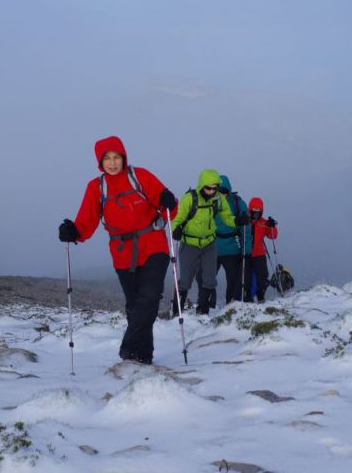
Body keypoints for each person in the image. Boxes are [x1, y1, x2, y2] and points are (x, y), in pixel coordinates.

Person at [58, 136, 177, 365]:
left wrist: (169, 200)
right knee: (134, 305)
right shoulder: (97, 187)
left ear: (124, 158)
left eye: (116, 157)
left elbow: (170, 206)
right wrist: (72, 231)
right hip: (122, 253)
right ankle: (142, 358)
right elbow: (86, 221)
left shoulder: (139, 176)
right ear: (99, 163)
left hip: (153, 244)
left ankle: (128, 348)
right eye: (107, 159)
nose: (112, 163)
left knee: (150, 298)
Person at [170, 169, 249, 316]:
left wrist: (237, 221)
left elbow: (226, 217)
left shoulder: (218, 198)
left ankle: (203, 310)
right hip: (190, 243)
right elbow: (178, 219)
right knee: (186, 279)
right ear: (202, 185)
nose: (212, 191)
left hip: (209, 244)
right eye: (209, 188)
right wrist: (176, 230)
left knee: (209, 279)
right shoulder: (189, 199)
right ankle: (176, 311)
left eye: (215, 188)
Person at [194, 175, 251, 308]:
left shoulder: (237, 203)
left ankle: (232, 306)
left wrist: (246, 249)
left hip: (232, 248)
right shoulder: (207, 202)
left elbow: (246, 228)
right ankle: (208, 304)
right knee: (203, 276)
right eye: (220, 191)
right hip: (212, 246)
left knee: (233, 279)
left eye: (225, 192)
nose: (222, 195)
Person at [244, 197, 278, 303]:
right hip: (246, 254)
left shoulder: (263, 222)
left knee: (262, 276)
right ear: (250, 210)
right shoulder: (245, 221)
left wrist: (272, 226)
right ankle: (248, 299)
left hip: (259, 254)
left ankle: (260, 296)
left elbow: (273, 236)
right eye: (254, 212)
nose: (256, 214)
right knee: (246, 278)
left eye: (259, 212)